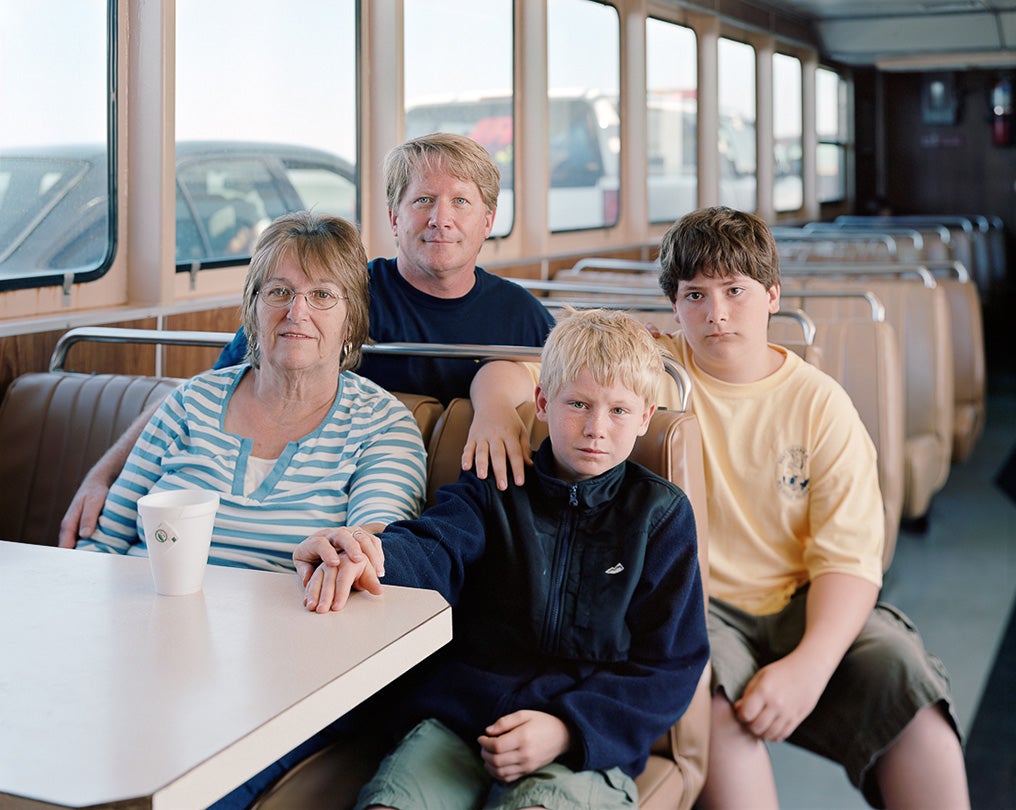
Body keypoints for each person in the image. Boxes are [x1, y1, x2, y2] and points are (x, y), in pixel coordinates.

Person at [295, 308, 709, 810]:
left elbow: (670, 664)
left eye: (619, 411)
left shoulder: (660, 516)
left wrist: (565, 730)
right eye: (578, 403)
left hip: (579, 745)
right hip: (462, 721)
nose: (596, 427)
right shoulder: (496, 486)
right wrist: (367, 554)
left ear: (646, 416)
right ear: (541, 402)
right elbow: (435, 546)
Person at [59, 132, 555, 548]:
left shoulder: (522, 318)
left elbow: (558, 399)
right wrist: (104, 473)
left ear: (488, 220)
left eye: (461, 202)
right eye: (422, 199)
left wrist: (494, 397)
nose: (439, 218)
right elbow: (214, 388)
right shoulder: (334, 292)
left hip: (470, 503)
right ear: (394, 217)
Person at [651, 206, 968, 809]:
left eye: (735, 291)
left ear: (772, 296)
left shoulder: (821, 405)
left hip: (802, 601)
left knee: (908, 684)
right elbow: (534, 373)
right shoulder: (656, 373)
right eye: (695, 295)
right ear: (674, 306)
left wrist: (810, 668)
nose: (715, 313)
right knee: (709, 700)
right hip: (700, 603)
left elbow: (848, 557)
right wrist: (491, 406)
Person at [79, 210, 425, 574]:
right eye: (279, 291)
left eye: (322, 294)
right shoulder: (189, 402)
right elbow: (100, 543)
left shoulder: (383, 426)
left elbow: (370, 553)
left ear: (351, 321)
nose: (297, 311)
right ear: (253, 310)